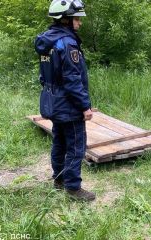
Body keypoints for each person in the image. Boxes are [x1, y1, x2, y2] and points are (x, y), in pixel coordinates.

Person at [34, 0, 95, 201]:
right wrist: (85, 106)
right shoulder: (67, 44)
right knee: (76, 145)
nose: (79, 22)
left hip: (53, 101)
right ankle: (73, 188)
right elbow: (72, 80)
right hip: (69, 105)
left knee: (59, 141)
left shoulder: (47, 41)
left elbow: (45, 75)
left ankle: (59, 180)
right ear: (66, 20)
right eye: (77, 18)